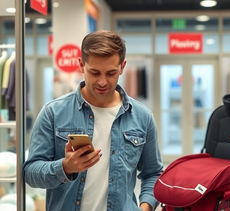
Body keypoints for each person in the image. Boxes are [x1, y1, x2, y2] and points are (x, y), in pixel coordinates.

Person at [23, 30, 164, 211]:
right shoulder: (53, 112)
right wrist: (65, 167)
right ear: (81, 65)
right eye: (95, 72)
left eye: (111, 73)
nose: (103, 81)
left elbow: (152, 173)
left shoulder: (142, 117)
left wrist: (145, 208)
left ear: (123, 66)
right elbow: (31, 172)